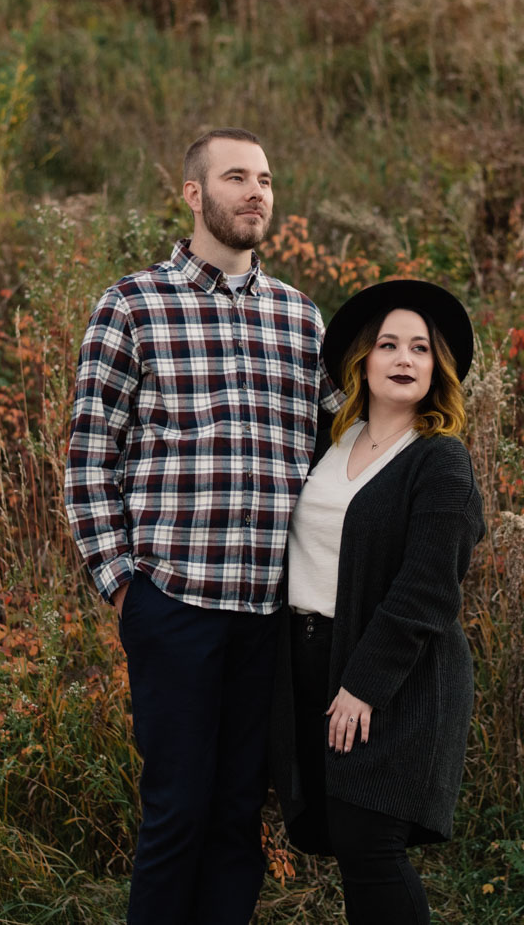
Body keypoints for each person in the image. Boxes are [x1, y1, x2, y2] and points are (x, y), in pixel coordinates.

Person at [63, 127, 339, 925]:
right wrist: (124, 587)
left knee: (238, 819)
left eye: (266, 177)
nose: (257, 191)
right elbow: (88, 454)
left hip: (270, 616)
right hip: (174, 605)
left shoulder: (299, 318)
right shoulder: (134, 304)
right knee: (177, 812)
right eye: (237, 177)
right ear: (193, 193)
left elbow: (339, 452)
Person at [272, 279, 486, 925]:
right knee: (343, 840)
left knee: (372, 843)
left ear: (436, 367)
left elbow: (429, 586)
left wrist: (364, 685)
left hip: (397, 679)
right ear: (363, 360)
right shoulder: (328, 445)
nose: (404, 358)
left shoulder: (438, 461)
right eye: (389, 343)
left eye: (420, 348)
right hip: (312, 662)